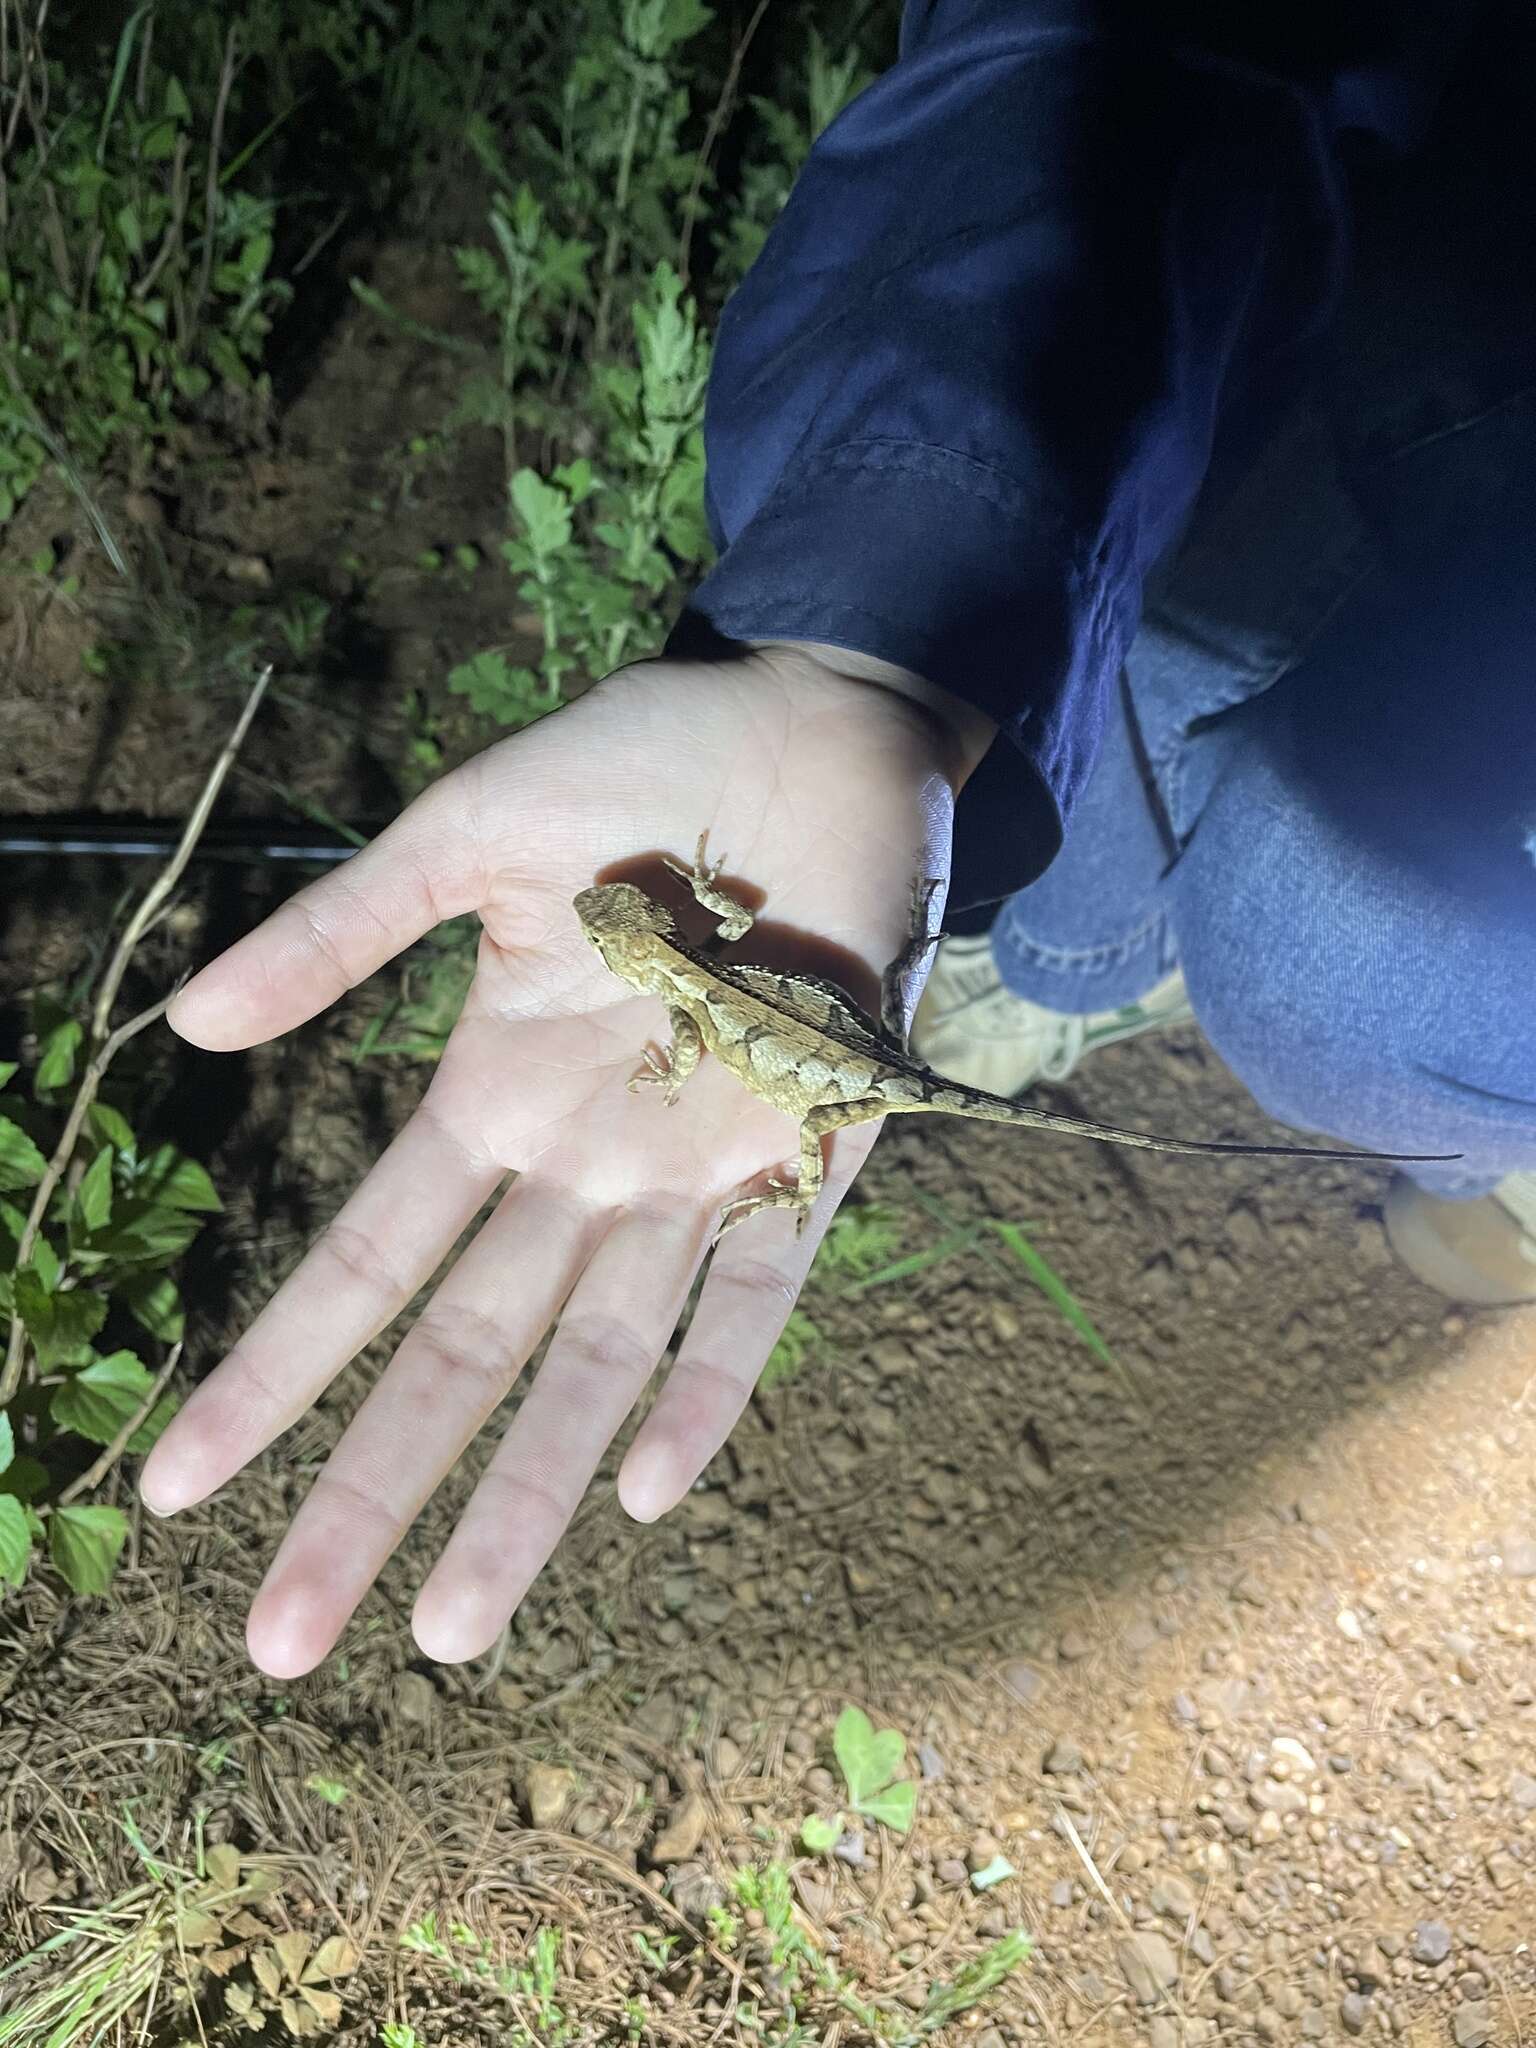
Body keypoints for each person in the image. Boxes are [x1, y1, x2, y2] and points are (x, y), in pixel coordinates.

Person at [140, 0, 1536, 1679]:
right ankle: (1071, 960)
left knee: (1336, 926)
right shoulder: (708, 942)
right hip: (1350, 310)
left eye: (638, 934)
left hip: (1417, 356)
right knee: (1122, 698)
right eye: (642, 929)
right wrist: (857, 656)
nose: (642, 922)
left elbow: (704, 976)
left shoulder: (706, 953)